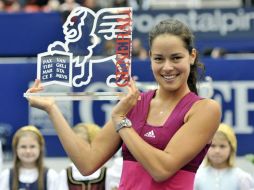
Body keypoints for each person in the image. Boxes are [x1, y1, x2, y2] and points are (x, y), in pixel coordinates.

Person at [26, 18, 221, 189]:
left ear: (192, 56)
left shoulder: (205, 109)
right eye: (159, 59)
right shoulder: (134, 104)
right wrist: (52, 109)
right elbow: (87, 163)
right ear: (150, 58)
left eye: (176, 58)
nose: (167, 67)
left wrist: (121, 122)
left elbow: (162, 169)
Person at [194, 123, 254, 190]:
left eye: (222, 146)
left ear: (231, 148)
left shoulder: (242, 178)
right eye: (213, 146)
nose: (217, 151)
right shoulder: (197, 176)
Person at [0, 125, 58, 190]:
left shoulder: (50, 175)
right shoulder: (6, 175)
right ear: (16, 149)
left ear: (40, 148)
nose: (28, 151)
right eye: (23, 147)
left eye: (32, 146)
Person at [56, 123, 107, 190]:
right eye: (75, 146)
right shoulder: (65, 174)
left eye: (84, 144)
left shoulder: (107, 173)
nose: (78, 150)